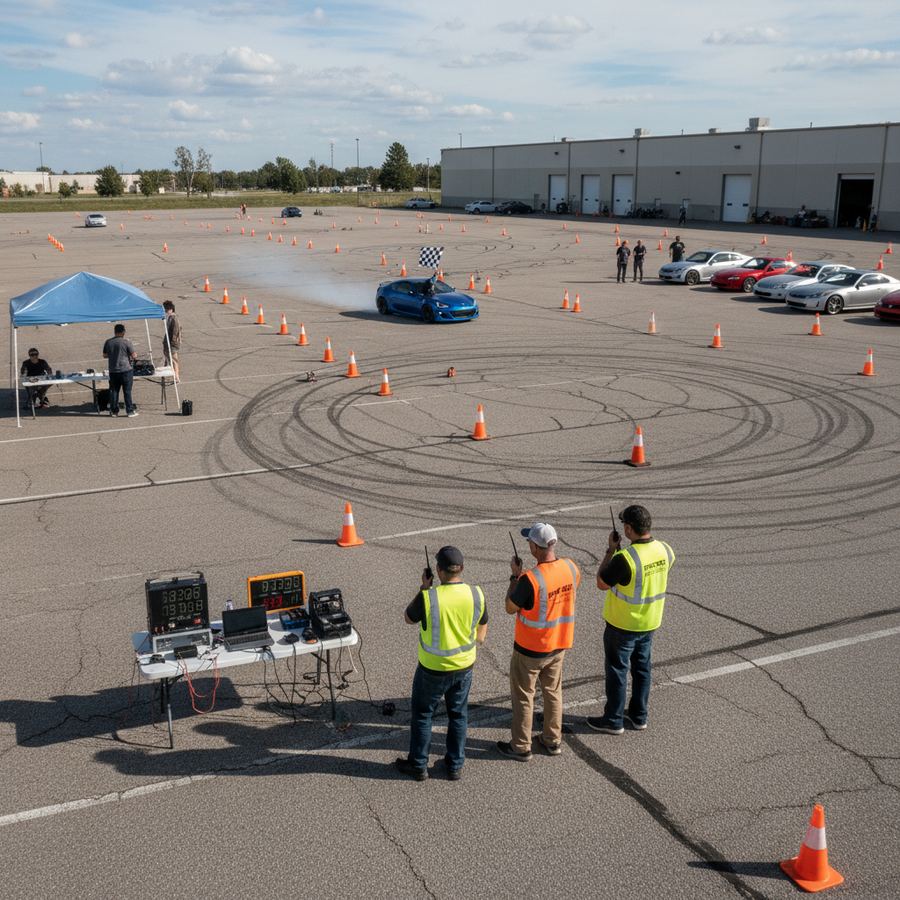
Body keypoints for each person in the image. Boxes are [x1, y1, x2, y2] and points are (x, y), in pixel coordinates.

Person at [397, 546, 487, 781]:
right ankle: (455, 764)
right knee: (458, 715)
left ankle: (418, 765)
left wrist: (424, 588)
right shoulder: (476, 593)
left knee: (423, 715)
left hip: (432, 669)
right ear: (462, 569)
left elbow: (408, 618)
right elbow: (483, 626)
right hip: (464, 667)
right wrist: (474, 641)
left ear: (437, 570)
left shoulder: (429, 598)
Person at [587, 505, 675, 735]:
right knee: (642, 669)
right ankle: (639, 716)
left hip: (623, 625)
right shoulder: (665, 550)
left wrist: (610, 550)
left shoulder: (626, 558)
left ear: (627, 529)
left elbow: (601, 582)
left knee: (617, 670)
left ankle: (614, 720)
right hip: (650, 622)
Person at [497, 523, 580, 761]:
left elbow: (510, 607)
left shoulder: (530, 579)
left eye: (529, 543)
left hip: (530, 649)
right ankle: (552, 740)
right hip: (559, 644)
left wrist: (515, 575)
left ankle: (521, 746)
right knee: (553, 692)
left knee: (524, 696)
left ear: (535, 547)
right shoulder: (571, 567)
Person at [102, 323, 138, 418]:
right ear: (123, 332)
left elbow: (105, 355)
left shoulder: (108, 342)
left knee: (114, 391)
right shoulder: (126, 342)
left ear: (115, 332)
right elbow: (134, 355)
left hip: (113, 370)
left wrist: (113, 355)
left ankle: (114, 411)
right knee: (127, 391)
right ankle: (129, 411)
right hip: (126, 370)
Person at [162, 300, 181, 383]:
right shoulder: (170, 317)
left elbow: (175, 331)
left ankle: (176, 377)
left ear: (170, 309)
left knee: (174, 360)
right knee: (169, 359)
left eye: (166, 309)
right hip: (168, 342)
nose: (165, 311)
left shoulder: (173, 318)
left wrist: (171, 343)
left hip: (172, 344)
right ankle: (170, 375)